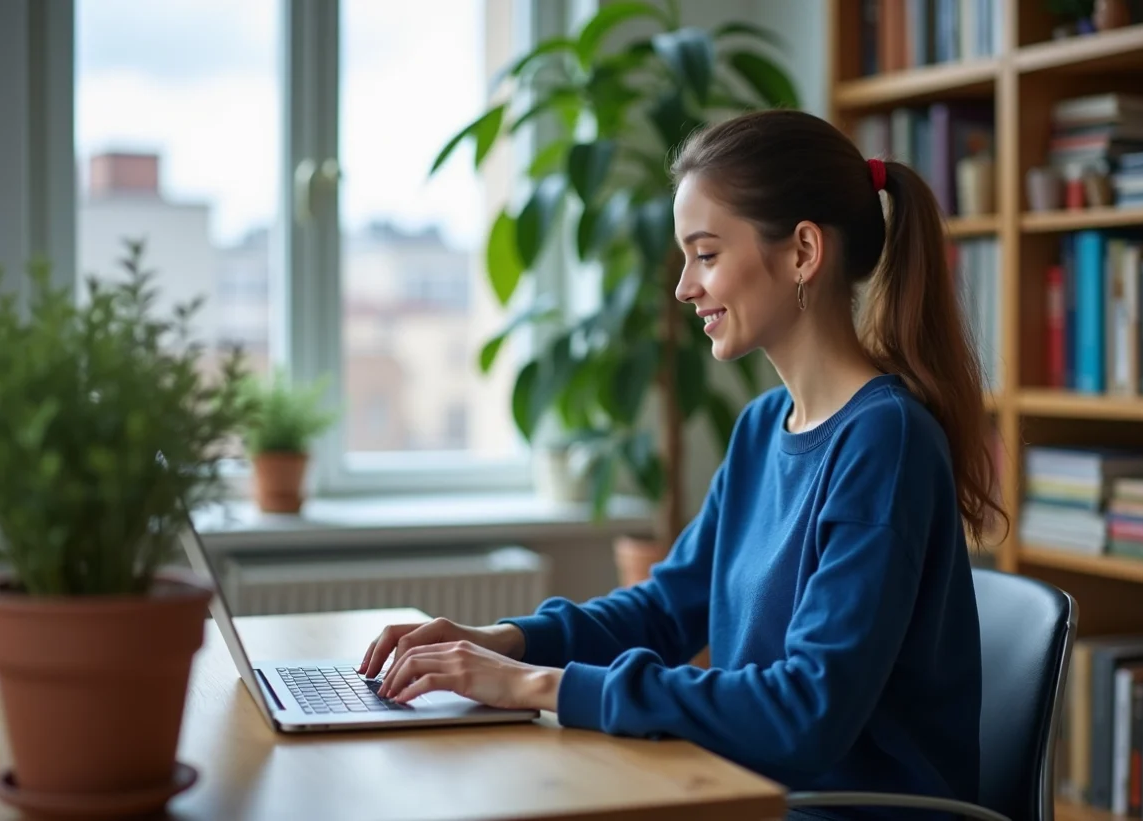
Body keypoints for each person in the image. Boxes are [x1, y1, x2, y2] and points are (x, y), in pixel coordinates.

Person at [358, 109, 1007, 820]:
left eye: (705, 254)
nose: (684, 287)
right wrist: (502, 639)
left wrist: (534, 684)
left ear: (802, 253)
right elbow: (668, 608)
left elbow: (805, 713)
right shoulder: (764, 426)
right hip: (754, 790)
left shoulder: (886, 441)